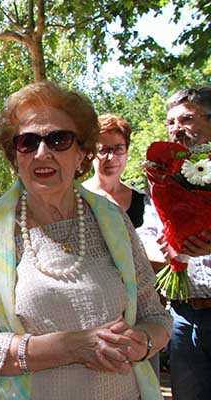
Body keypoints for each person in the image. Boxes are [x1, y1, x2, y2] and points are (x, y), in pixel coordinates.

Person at [0, 81, 171, 399]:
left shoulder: (113, 223)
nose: (42, 153)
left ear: (82, 153)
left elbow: (155, 317)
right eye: (27, 142)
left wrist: (141, 342)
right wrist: (71, 348)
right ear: (14, 154)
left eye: (59, 140)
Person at [137, 87, 211, 399]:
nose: (176, 129)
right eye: (170, 122)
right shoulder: (161, 178)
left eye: (187, 119)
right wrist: (169, 248)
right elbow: (145, 237)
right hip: (182, 315)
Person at [82, 114, 147, 228]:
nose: (111, 157)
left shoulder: (143, 201)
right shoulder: (77, 198)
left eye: (118, 148)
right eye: (103, 150)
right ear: (90, 154)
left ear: (126, 152)